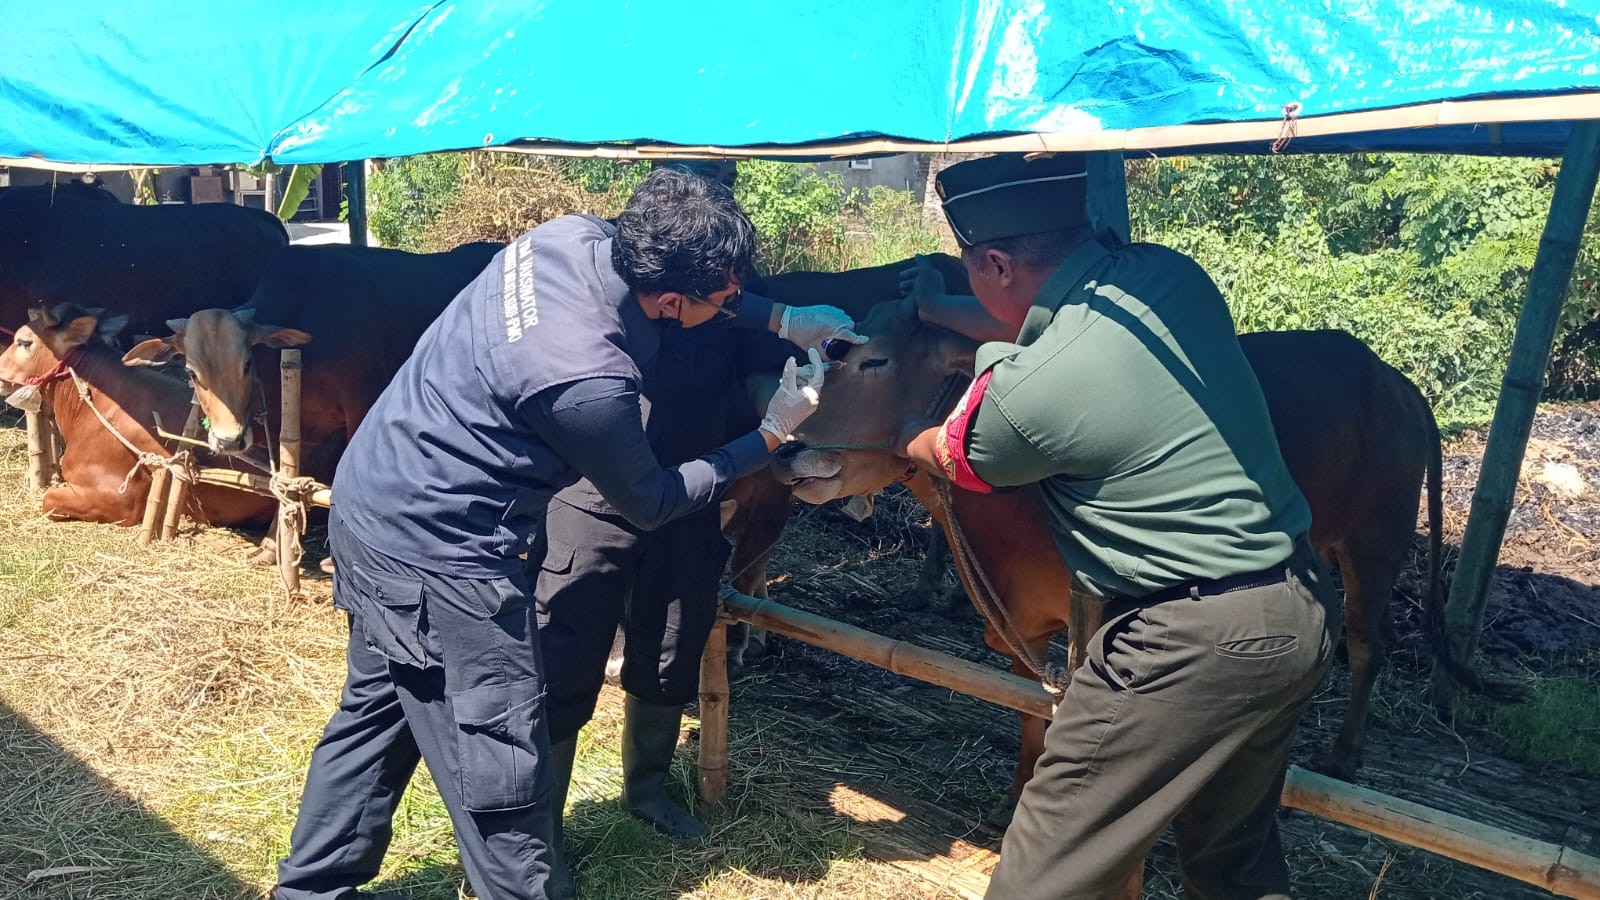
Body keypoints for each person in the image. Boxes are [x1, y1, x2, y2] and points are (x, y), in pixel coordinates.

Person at [274, 167, 862, 900]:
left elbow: (689, 295)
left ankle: (309, 890)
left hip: (373, 502)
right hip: (443, 552)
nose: (731, 306)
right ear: (673, 301)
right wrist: (771, 434)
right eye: (726, 299)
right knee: (506, 777)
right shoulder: (588, 375)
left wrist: (776, 320)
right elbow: (650, 499)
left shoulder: (568, 238)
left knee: (377, 717)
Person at [894, 153, 1339, 900]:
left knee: (1040, 881)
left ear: (995, 264)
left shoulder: (1020, 399)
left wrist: (907, 429)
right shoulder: (1170, 277)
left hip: (1184, 642)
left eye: (969, 269)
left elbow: (956, 453)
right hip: (1296, 608)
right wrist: (947, 312)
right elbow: (1042, 330)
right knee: (1233, 865)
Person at [532, 162, 796, 855]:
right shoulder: (610, 286)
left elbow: (757, 361)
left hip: (692, 494)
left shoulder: (734, 296)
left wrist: (791, 377)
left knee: (673, 645)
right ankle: (543, 828)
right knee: (566, 654)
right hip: (592, 496)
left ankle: (645, 788)